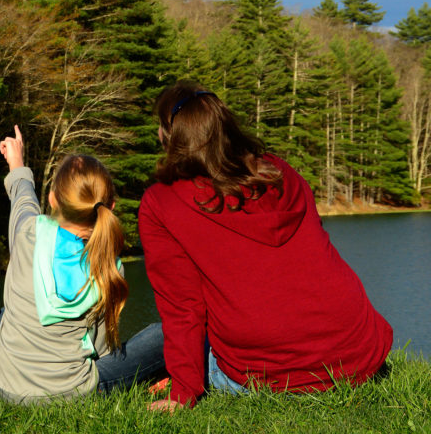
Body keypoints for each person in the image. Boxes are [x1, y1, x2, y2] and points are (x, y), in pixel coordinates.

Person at [139, 81, 393, 411]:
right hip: (359, 356)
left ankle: (76, 382)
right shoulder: (280, 171)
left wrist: (184, 391)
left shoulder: (161, 203)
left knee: (157, 339)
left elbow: (183, 307)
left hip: (269, 374)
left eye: (160, 127)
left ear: (170, 136)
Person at [0, 126, 165, 404]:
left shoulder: (27, 234)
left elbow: (22, 196)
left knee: (5, 315)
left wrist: (17, 160)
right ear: (111, 207)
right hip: (71, 393)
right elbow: (102, 351)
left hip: (7, 386)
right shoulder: (109, 266)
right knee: (162, 335)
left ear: (52, 199)